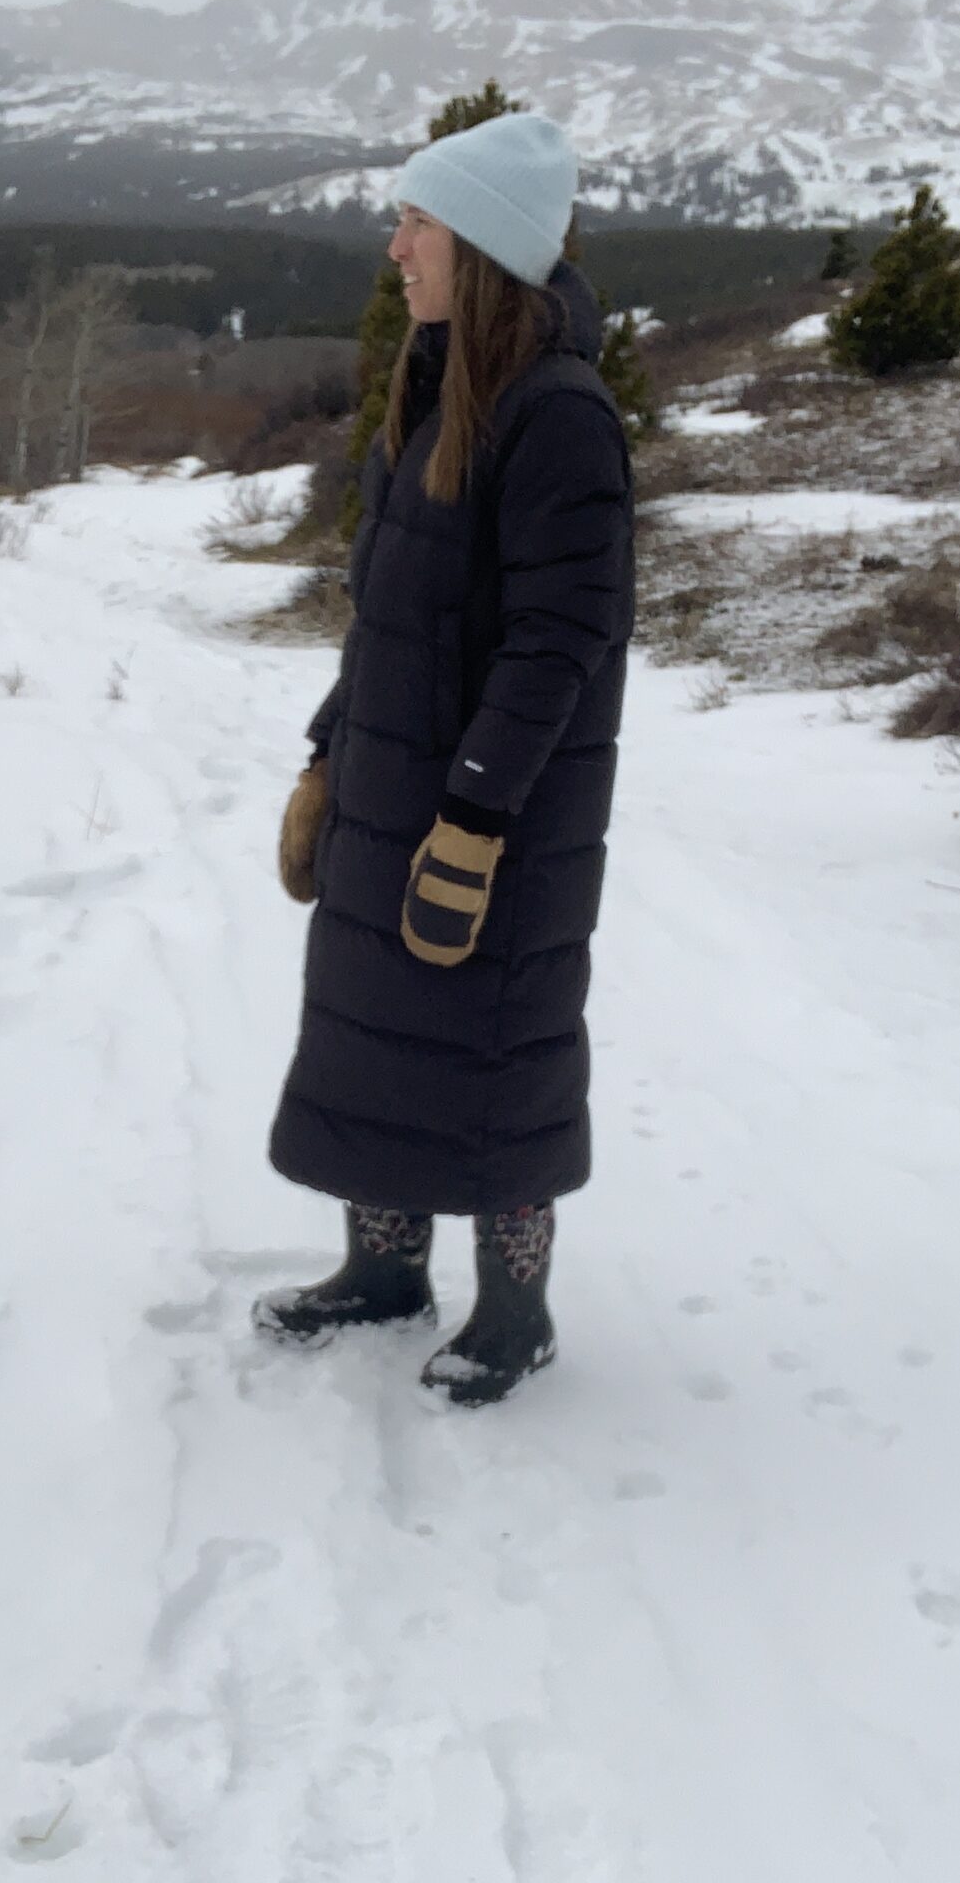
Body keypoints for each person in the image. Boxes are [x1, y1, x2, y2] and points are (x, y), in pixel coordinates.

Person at [259, 110, 636, 1407]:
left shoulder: (559, 417)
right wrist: (328, 756)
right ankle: (384, 1272)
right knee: (379, 1039)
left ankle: (516, 1313)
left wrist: (473, 820)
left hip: (495, 815)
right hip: (390, 790)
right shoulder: (435, 392)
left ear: (475, 244)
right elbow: (394, 613)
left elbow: (560, 640)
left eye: (414, 221)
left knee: (495, 1058)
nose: (393, 247)